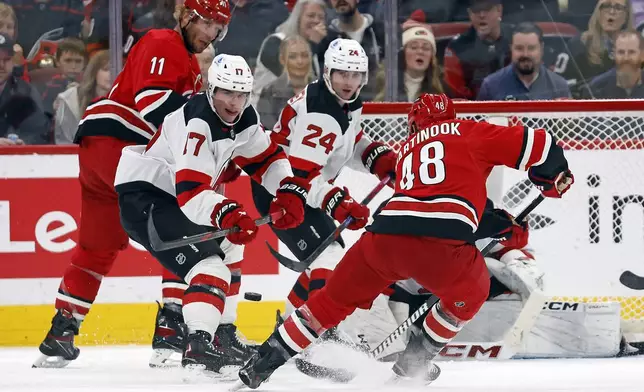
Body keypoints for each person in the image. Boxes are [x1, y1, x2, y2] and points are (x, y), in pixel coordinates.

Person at [237, 93, 574, 389]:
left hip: (383, 239)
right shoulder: (467, 132)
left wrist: (501, 223)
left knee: (326, 304)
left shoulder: (408, 150)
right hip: (440, 249)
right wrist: (552, 176)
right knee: (473, 290)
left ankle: (262, 362)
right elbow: (540, 145)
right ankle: (413, 364)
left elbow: (445, 201)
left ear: (414, 126)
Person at [33, 0, 231, 369]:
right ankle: (171, 327)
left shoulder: (185, 60)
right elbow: (153, 105)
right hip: (123, 145)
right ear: (186, 16)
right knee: (182, 227)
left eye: (219, 29)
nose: (211, 34)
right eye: (207, 24)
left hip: (100, 155)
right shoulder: (163, 41)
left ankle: (61, 331)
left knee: (98, 245)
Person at [114, 53, 309, 375]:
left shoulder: (243, 116)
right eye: (227, 93)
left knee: (232, 247)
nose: (234, 103)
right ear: (210, 89)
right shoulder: (198, 122)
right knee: (211, 268)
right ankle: (198, 346)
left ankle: (224, 332)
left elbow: (266, 158)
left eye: (241, 94)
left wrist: (288, 190)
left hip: (169, 199)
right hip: (146, 200)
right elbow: (191, 193)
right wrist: (228, 212)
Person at [252, 38, 397, 323]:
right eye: (342, 73)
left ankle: (291, 326)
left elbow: (346, 143)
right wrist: (337, 202)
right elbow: (300, 176)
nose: (349, 81)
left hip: (302, 189)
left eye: (355, 75)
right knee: (328, 256)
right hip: (281, 192)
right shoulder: (319, 112)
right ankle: (322, 330)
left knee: (325, 256)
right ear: (328, 72)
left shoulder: (345, 102)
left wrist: (373, 156)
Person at [477, 22, 571, 101]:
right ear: (511, 49)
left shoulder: (559, 86)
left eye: (531, 48)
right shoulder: (490, 86)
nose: (525, 54)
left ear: (541, 48)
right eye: (519, 48)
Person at [443, 0, 512, 99]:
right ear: (470, 14)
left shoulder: (516, 38)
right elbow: (456, 93)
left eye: (487, 9)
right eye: (476, 10)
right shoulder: (457, 47)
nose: (482, 15)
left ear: (499, 10)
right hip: (475, 109)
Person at [256, 35, 314, 129]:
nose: (300, 61)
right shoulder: (270, 92)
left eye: (304, 55)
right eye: (293, 57)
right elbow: (267, 128)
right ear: (282, 59)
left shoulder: (322, 89)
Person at [584, 30, 644, 99]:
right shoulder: (595, 88)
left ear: (642, 55)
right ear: (613, 55)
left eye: (632, 52)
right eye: (621, 52)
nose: (626, 58)